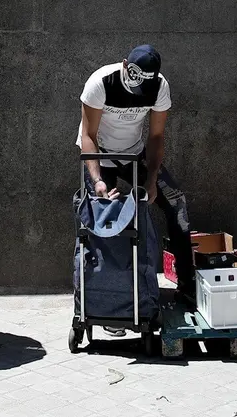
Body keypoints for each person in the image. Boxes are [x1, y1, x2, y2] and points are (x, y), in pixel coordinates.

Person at [78, 45, 195, 310]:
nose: (138, 92)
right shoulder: (101, 82)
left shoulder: (159, 86)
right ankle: (108, 300)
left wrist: (151, 178)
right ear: (124, 65)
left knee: (176, 203)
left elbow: (155, 137)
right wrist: (97, 179)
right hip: (101, 153)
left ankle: (188, 287)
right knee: (103, 214)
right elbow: (89, 136)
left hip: (134, 153)